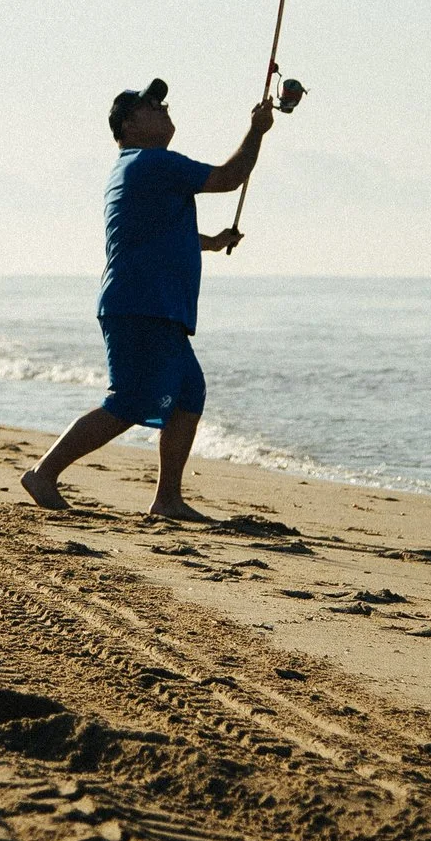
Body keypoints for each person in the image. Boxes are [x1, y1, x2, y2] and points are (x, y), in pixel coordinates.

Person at [21, 78, 274, 520]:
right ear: (128, 125)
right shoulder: (154, 163)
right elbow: (229, 178)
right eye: (150, 106)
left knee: (188, 394)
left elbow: (157, 234)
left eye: (162, 103)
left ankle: (168, 499)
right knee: (128, 401)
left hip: (149, 304)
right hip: (141, 304)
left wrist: (210, 242)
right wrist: (257, 130)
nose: (161, 108)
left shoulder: (135, 168)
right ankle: (44, 473)